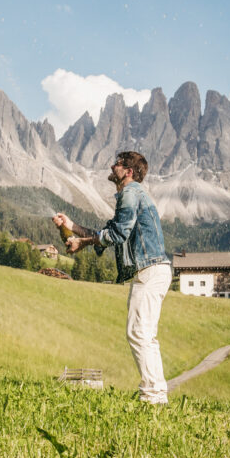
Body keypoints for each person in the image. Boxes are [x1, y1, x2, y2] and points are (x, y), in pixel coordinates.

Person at [52, 151, 173, 405]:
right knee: (143, 333)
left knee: (139, 333)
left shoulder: (131, 192)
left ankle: (153, 397)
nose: (112, 165)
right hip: (152, 270)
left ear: (129, 171)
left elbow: (118, 233)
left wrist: (82, 242)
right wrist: (73, 227)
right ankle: (156, 395)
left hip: (149, 271)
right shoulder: (132, 195)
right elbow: (108, 232)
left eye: (118, 163)